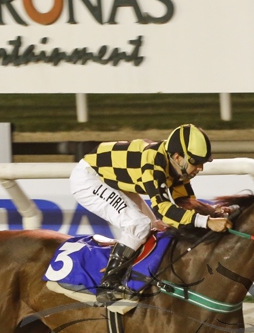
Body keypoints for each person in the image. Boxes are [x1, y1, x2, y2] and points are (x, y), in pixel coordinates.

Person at [71, 124, 232, 304]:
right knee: (138, 225)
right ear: (178, 157)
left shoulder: (176, 165)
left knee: (156, 227)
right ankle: (108, 285)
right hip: (89, 178)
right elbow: (164, 211)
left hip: (114, 179)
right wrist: (207, 222)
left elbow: (185, 203)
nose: (200, 168)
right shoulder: (154, 164)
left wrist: (213, 212)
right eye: (196, 162)